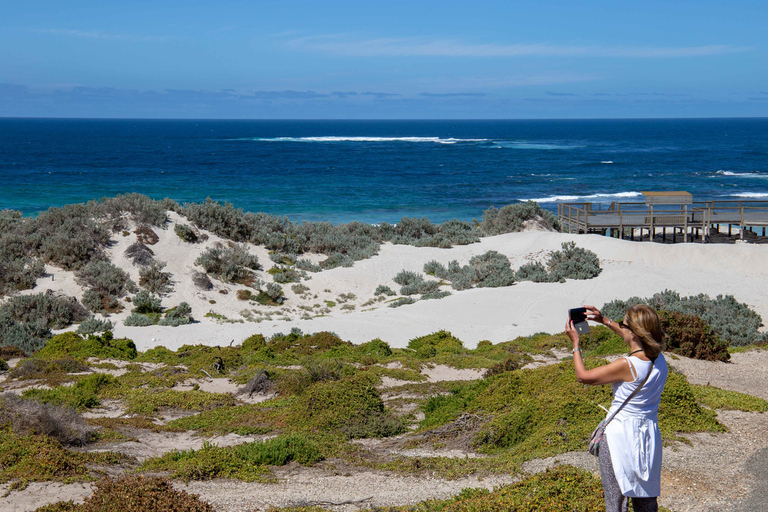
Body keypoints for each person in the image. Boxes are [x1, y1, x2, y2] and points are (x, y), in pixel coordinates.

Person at [566, 304, 668, 512]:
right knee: (647, 503)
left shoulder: (627, 365)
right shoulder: (660, 361)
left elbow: (583, 376)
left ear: (634, 333)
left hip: (619, 438)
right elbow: (632, 336)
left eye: (624, 325)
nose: (621, 328)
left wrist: (576, 344)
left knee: (616, 503)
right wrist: (604, 320)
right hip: (648, 437)